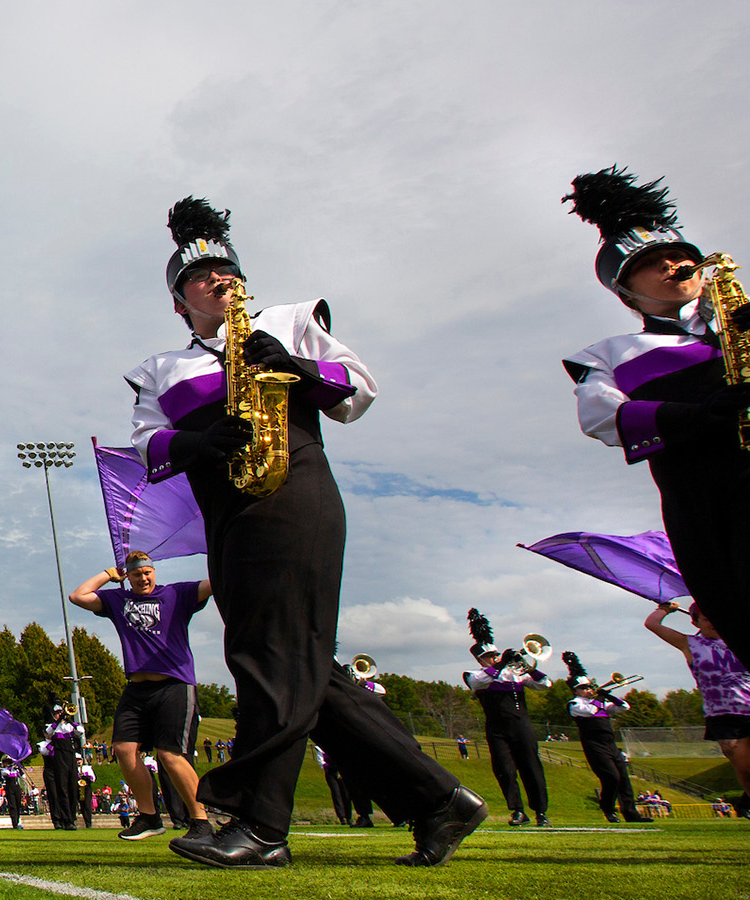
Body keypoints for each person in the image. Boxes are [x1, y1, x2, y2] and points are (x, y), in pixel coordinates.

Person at [127, 198, 483, 868]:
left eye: (226, 269)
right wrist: (202, 438)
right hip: (226, 507)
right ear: (179, 301)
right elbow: (148, 446)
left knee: (268, 657)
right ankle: (438, 800)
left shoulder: (290, 318)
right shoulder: (159, 368)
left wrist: (296, 368)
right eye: (200, 276)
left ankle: (261, 825)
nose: (218, 278)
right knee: (298, 662)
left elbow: (358, 392)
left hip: (294, 491)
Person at [561, 167, 750, 867]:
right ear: (624, 286)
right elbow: (601, 416)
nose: (675, 266)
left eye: (682, 255)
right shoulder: (611, 354)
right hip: (700, 500)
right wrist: (695, 413)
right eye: (650, 263)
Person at [68, 552, 213, 842]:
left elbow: (216, 583)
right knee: (123, 749)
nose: (144, 578)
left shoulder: (177, 594)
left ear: (154, 572)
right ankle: (149, 817)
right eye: (137, 574)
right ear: (129, 577)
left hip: (174, 684)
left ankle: (201, 821)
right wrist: (110, 574)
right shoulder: (118, 601)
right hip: (136, 688)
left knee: (169, 755)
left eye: (148, 572)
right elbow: (77, 596)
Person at [646, 601, 750, 830]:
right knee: (746, 770)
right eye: (707, 619)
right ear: (695, 621)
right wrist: (665, 609)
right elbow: (652, 624)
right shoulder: (691, 644)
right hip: (723, 715)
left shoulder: (744, 641)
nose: (714, 624)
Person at [463, 609, 552, 827]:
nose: (494, 658)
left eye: (496, 655)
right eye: (489, 657)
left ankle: (541, 811)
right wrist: (501, 663)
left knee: (531, 766)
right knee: (504, 769)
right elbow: (478, 682)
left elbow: (545, 684)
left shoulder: (515, 673)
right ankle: (518, 811)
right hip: (496, 728)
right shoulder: (475, 674)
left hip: (521, 725)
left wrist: (525, 664)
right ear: (480, 659)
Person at [562, 652, 650, 824]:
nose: (589, 691)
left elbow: (624, 707)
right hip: (594, 745)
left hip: (610, 744)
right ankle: (608, 808)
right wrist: (600, 698)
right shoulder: (575, 704)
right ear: (576, 690)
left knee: (624, 779)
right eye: (584, 688)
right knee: (611, 778)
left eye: (589, 688)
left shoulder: (601, 704)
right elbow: (591, 711)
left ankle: (631, 813)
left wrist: (609, 696)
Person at [39, 704, 83, 830]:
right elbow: (48, 733)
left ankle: (72, 817)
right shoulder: (52, 726)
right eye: (57, 713)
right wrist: (57, 722)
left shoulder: (68, 726)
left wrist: (70, 720)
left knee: (73, 788)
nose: (60, 715)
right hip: (59, 757)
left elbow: (80, 731)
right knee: (62, 788)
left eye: (61, 712)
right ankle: (65, 819)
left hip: (70, 756)